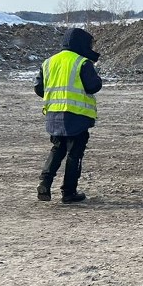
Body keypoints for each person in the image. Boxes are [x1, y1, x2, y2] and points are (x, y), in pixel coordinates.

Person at [33, 27, 102, 203]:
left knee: (57, 149)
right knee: (74, 153)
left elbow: (39, 88)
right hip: (76, 115)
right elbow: (93, 86)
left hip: (54, 113)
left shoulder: (49, 62)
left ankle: (45, 184)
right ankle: (69, 191)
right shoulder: (81, 62)